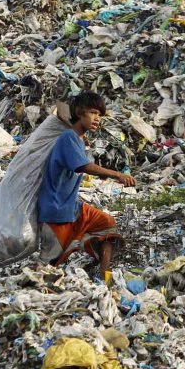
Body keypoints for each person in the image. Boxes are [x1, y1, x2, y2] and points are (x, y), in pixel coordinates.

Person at [37, 91, 136, 279]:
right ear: (79, 112)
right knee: (47, 267)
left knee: (107, 223)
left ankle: (105, 279)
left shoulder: (79, 140)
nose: (97, 118)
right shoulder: (68, 138)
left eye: (99, 114)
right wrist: (117, 175)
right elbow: (84, 166)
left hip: (71, 208)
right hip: (56, 212)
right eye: (92, 112)